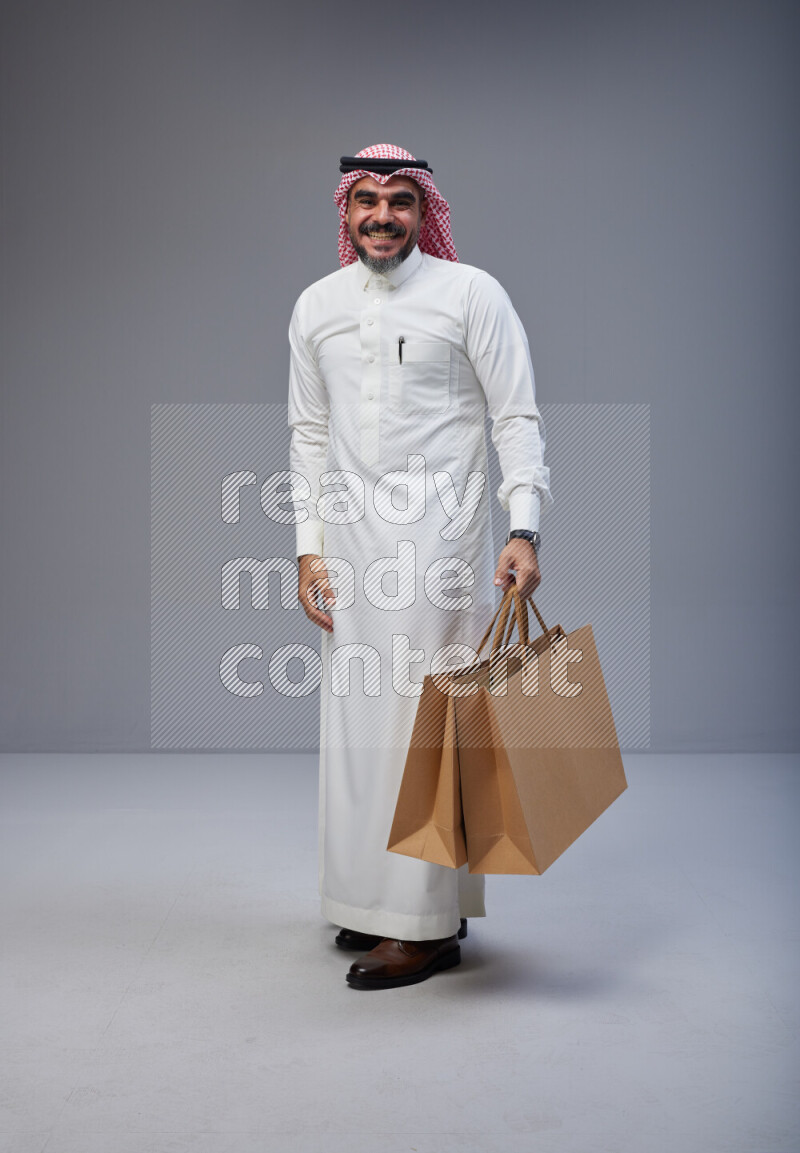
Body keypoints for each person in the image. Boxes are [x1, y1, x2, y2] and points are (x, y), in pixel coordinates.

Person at [287, 143, 552, 990]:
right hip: (351, 552)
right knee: (359, 734)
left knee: (426, 727)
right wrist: (308, 547)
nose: (382, 216)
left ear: (422, 208)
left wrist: (525, 529)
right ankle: (377, 902)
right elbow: (309, 436)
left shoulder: (471, 293)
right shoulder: (317, 306)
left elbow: (516, 417)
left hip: (438, 545)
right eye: (366, 199)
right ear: (345, 209)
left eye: (401, 200)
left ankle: (426, 927)